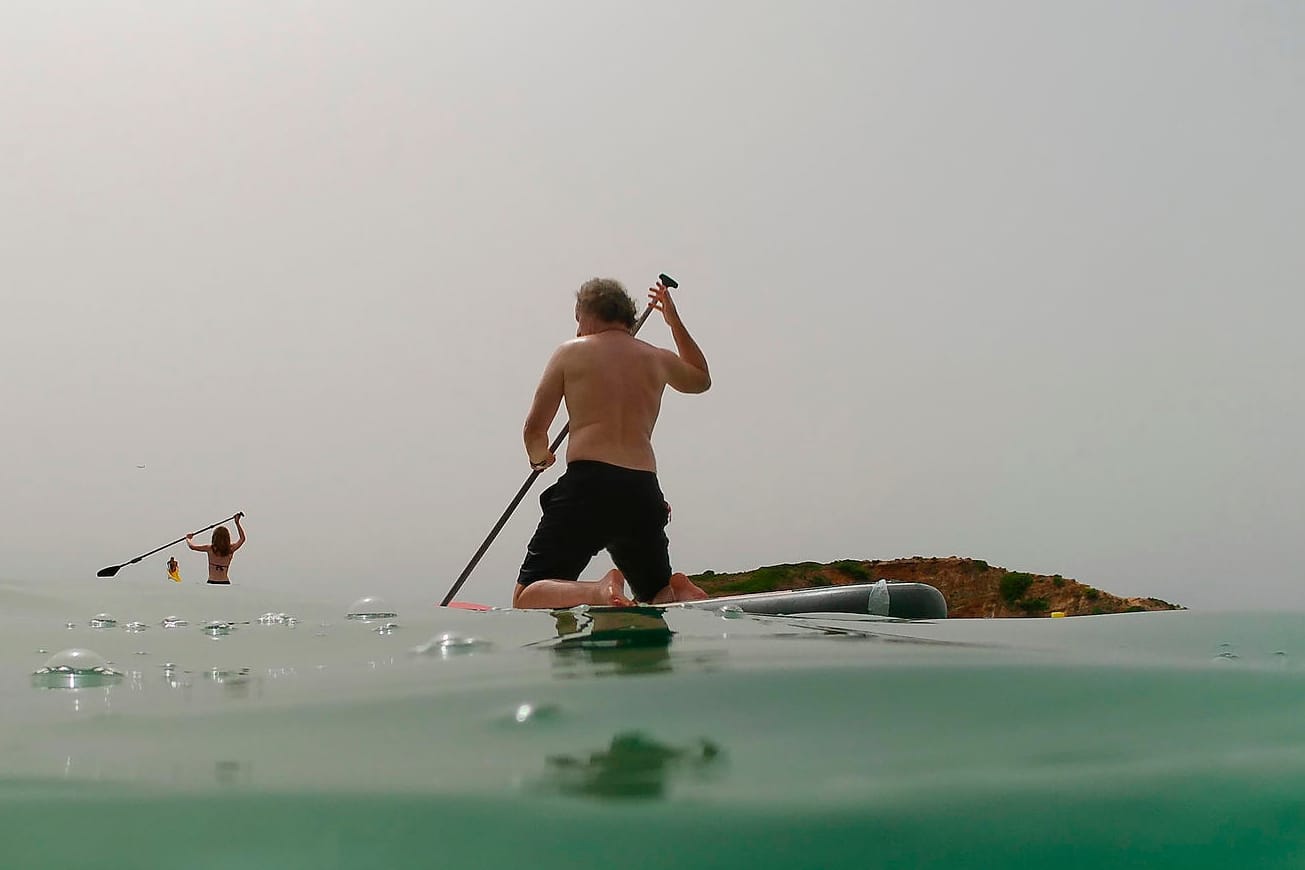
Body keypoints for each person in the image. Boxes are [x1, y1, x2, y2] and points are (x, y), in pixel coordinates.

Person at [513, 277, 712, 609]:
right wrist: (673, 320)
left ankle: (597, 591)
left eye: (578, 320)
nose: (578, 331)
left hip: (588, 487)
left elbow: (534, 429)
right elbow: (701, 379)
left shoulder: (570, 352)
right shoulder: (658, 358)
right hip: (643, 492)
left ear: (590, 314)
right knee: (653, 597)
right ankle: (674, 590)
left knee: (528, 593)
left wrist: (541, 458)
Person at [187, 513, 246, 585]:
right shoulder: (231, 549)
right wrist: (237, 523)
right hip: (225, 582)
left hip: (212, 581)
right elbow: (242, 538)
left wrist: (188, 539)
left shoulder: (209, 549)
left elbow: (192, 547)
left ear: (214, 537)